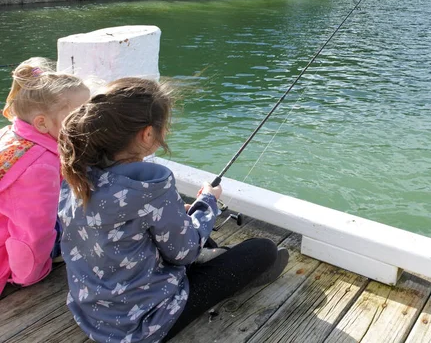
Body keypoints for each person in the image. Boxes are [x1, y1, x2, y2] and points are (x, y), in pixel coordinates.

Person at [58, 77, 288, 343]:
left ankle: (214, 256)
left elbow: (117, 226)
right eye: (164, 126)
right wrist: (207, 202)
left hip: (91, 313)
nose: (166, 131)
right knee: (261, 249)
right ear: (147, 134)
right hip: (141, 325)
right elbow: (185, 253)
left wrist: (178, 213)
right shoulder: (149, 184)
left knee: (191, 228)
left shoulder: (75, 172)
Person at [0, 57, 90, 294]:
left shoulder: (12, 134)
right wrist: (31, 275)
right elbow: (33, 233)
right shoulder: (39, 167)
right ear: (42, 123)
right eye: (78, 117)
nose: (88, 123)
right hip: (11, 256)